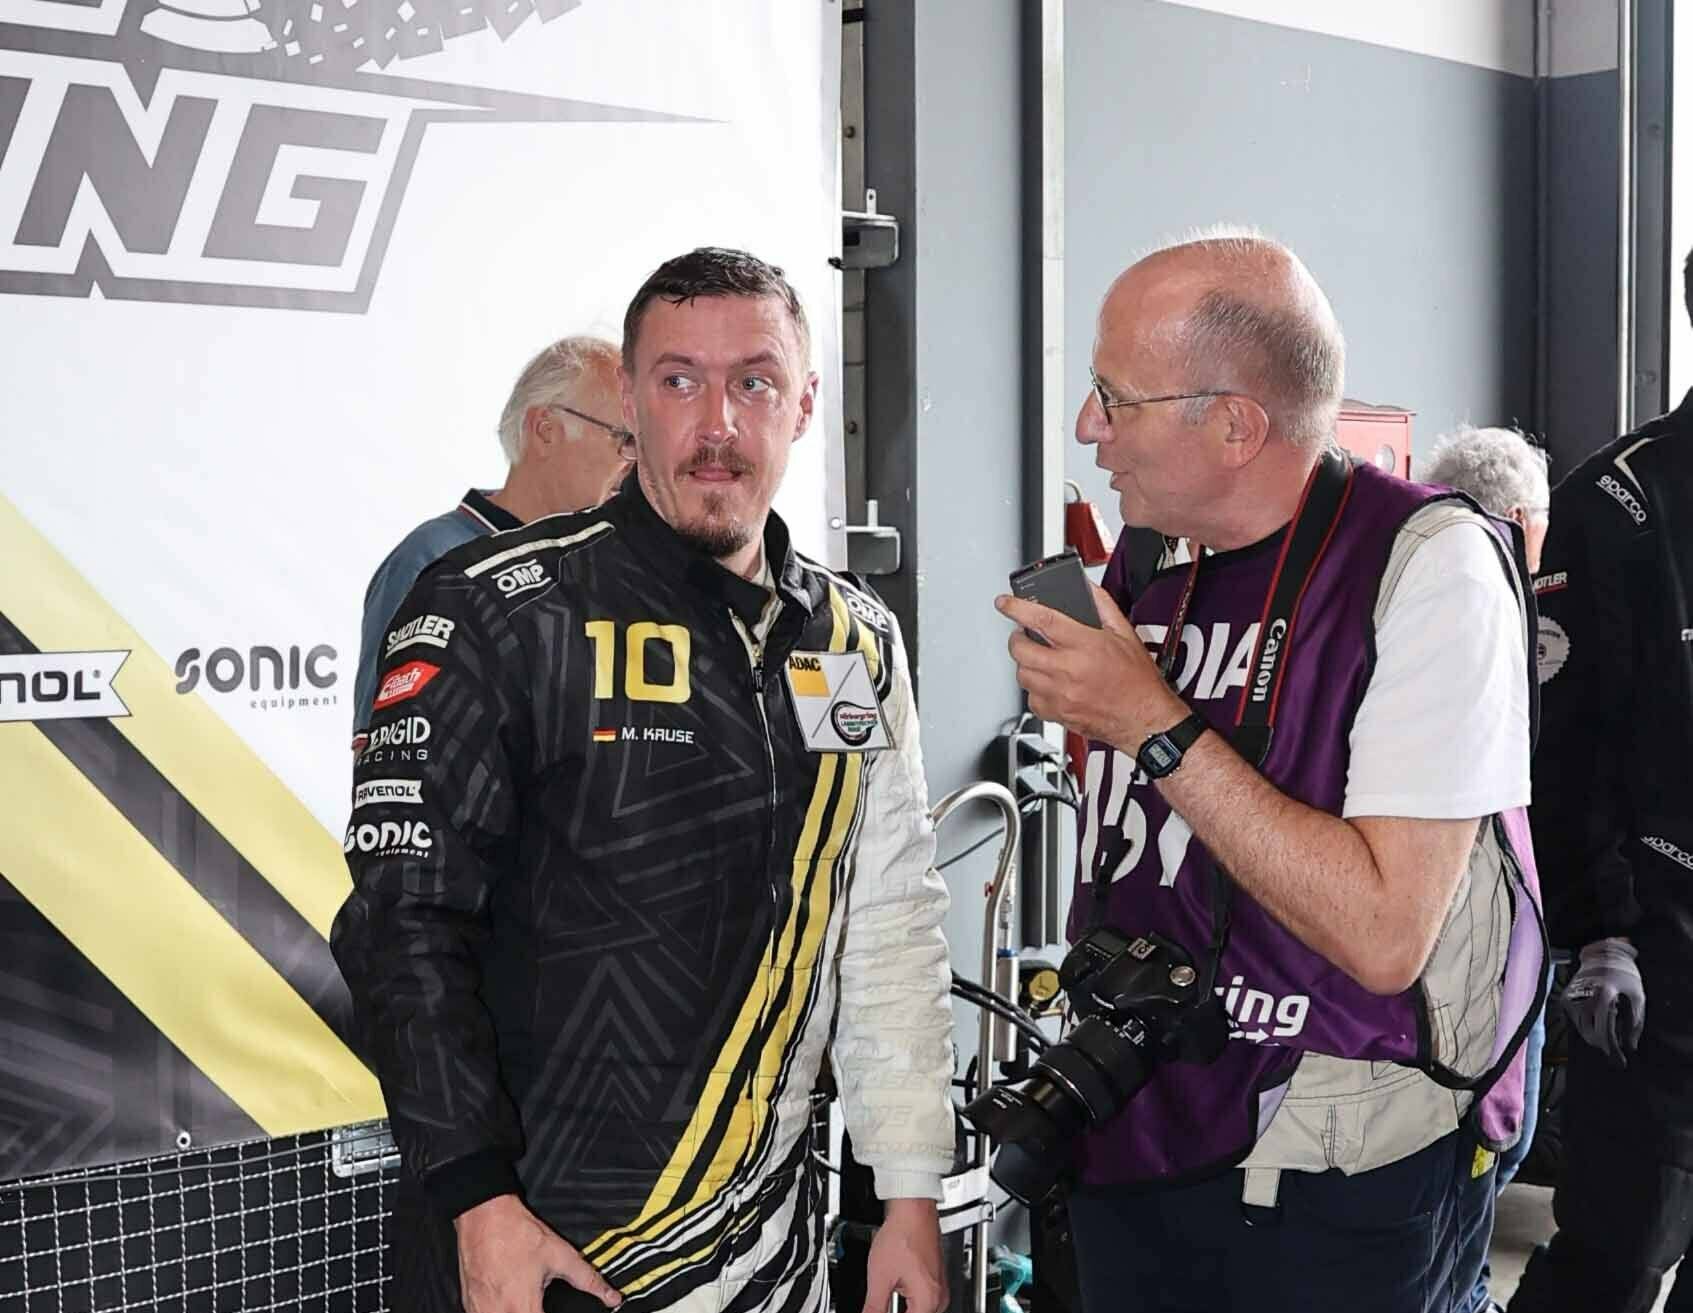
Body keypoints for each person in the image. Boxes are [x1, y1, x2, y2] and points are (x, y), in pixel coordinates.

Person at [332, 248, 956, 1313]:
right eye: (679, 381)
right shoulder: (497, 607)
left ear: (805, 404)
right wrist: (478, 1200)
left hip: (775, 1255)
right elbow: (402, 926)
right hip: (539, 1248)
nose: (717, 423)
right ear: (629, 400)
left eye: (754, 382)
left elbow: (888, 919)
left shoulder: (850, 637)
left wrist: (907, 1192)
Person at [997, 230, 1544, 1313]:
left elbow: (1384, 935)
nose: (1087, 427)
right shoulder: (1152, 550)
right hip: (1132, 1114)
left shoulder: (1429, 566)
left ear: (1235, 426)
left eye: (1115, 397)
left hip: (1326, 1160)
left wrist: (1148, 720)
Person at [1507, 254, 1693, 1313]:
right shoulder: (1619, 503)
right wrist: (1601, 933)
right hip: (1658, 958)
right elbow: (1562, 747)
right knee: (1616, 1255)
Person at [1418, 425, 1553, 1313]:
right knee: (1488, 1140)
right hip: (1475, 943)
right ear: (1518, 520)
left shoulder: (1401, 580)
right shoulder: (1490, 605)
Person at [351, 334, 631, 750]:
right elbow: (385, 754)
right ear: (545, 430)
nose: (635, 462)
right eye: (624, 438)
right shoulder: (431, 560)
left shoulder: (610, 565)